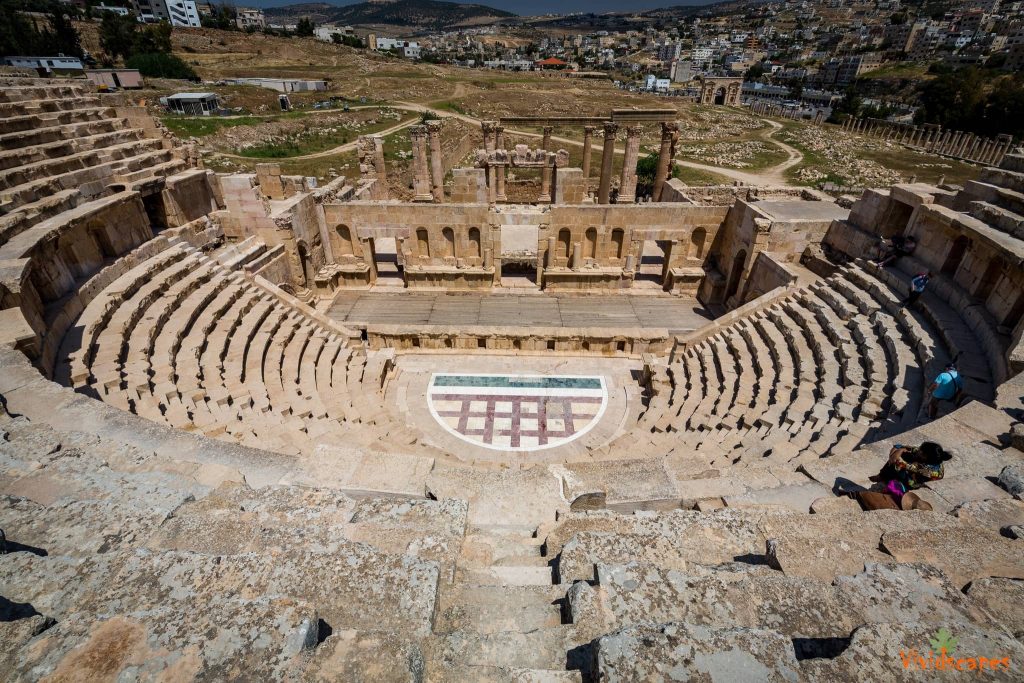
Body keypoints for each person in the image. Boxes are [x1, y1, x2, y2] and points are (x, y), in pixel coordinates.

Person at [855, 441, 951, 511]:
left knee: (897, 463)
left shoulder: (928, 470)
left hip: (914, 481)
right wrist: (899, 450)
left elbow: (898, 461)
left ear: (926, 457)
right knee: (903, 455)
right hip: (914, 471)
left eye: (921, 451)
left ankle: (884, 476)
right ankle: (882, 476)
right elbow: (900, 446)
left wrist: (896, 453)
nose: (918, 451)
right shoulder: (928, 456)